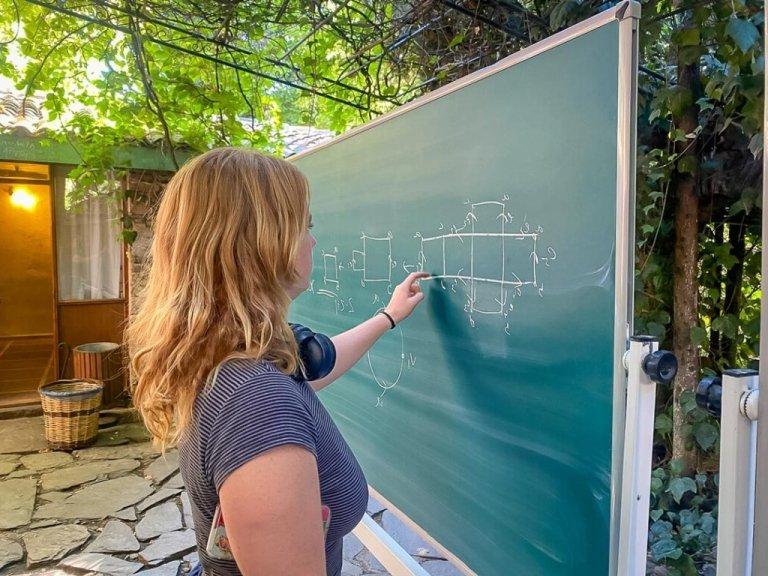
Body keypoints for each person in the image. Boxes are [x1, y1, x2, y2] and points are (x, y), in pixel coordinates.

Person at [126, 147, 428, 576]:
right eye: (304, 226)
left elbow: (316, 366)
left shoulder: (237, 357)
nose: (314, 240)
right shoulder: (255, 402)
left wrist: (388, 317)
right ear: (263, 244)